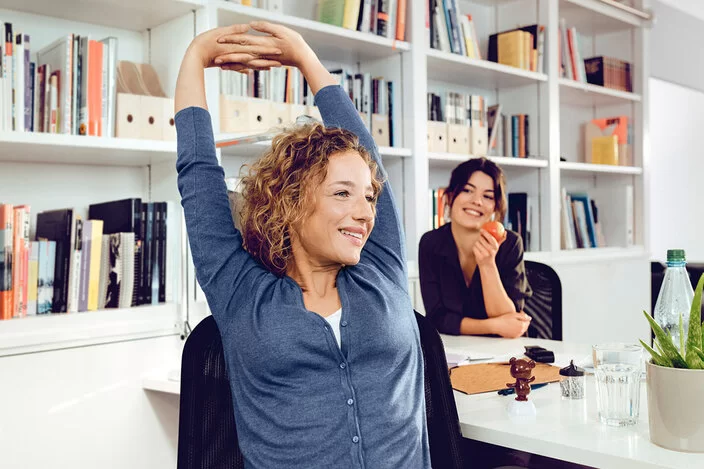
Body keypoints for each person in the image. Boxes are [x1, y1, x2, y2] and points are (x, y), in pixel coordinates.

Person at [174, 21, 430, 469]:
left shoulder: (383, 268)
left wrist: (306, 59)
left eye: (368, 196)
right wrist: (195, 55)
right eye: (342, 193)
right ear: (292, 203)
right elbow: (197, 175)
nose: (366, 211)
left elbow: (365, 149)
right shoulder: (241, 294)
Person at [418, 157, 532, 338]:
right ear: (449, 197)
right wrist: (494, 325)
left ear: (495, 206)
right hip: (454, 351)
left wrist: (487, 264)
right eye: (467, 190)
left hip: (504, 353)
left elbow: (511, 321)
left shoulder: (510, 243)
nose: (477, 201)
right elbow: (437, 318)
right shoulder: (431, 243)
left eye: (487, 196)